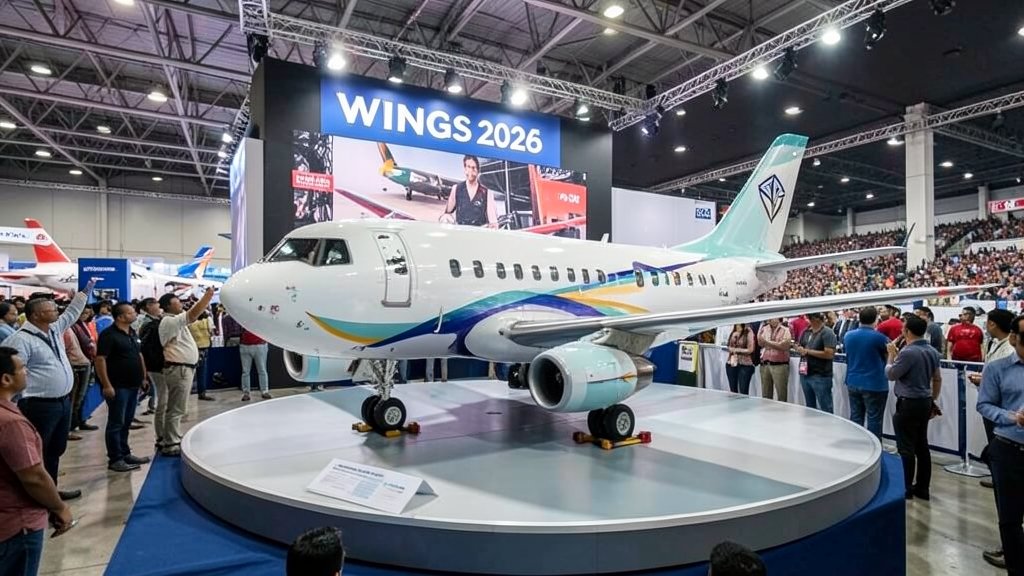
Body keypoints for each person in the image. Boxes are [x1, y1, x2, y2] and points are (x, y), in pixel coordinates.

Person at [1, 278, 95, 501]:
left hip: (61, 402)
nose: (56, 311)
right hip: (38, 405)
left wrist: (84, 293)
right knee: (36, 453)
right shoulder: (19, 340)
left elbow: (71, 313)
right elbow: (9, 374)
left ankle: (50, 490)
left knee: (55, 450)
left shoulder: (53, 329)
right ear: (36, 315)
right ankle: (34, 496)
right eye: (51, 309)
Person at [0, 347, 75, 576]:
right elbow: (34, 476)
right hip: (17, 524)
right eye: (22, 368)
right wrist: (59, 507)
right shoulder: (11, 424)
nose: (26, 372)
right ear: (6, 379)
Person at [975, 312, 1024, 572]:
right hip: (1009, 450)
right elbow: (984, 404)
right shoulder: (998, 368)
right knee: (1010, 518)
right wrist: (1012, 417)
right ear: (1015, 338)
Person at [886, 315, 942, 500]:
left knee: (906, 447)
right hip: (924, 400)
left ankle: (906, 487)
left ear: (907, 331)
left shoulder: (908, 352)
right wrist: (932, 399)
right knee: (922, 446)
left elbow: (892, 374)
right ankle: (923, 487)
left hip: (908, 402)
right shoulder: (932, 351)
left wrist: (891, 356)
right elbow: (937, 378)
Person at [155, 287, 215, 457]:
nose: (180, 304)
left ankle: (171, 437)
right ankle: (171, 443)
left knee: (176, 407)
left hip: (182, 368)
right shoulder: (169, 321)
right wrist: (207, 296)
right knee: (176, 408)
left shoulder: (173, 321)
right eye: (176, 302)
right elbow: (193, 314)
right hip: (179, 369)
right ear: (168, 306)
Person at [95, 302, 151, 472]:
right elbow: (100, 360)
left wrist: (143, 376)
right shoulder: (108, 335)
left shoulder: (132, 333)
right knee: (116, 422)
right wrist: (106, 384)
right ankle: (115, 458)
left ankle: (125, 452)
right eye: (130, 312)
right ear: (120, 317)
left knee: (126, 421)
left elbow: (138, 355)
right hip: (117, 386)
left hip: (133, 384)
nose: (134, 314)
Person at [843, 307, 890, 439]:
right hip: (874, 384)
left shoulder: (848, 335)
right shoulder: (880, 338)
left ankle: (856, 448)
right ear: (876, 320)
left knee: (856, 418)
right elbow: (891, 355)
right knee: (874, 420)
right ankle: (875, 452)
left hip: (853, 381)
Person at [794, 312, 837, 413]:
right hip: (805, 373)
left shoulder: (827, 332)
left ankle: (827, 427)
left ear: (815, 319)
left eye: (809, 318)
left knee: (826, 407)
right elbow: (800, 345)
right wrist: (798, 348)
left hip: (820, 375)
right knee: (810, 407)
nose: (808, 321)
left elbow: (829, 354)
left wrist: (808, 351)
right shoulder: (806, 332)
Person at [440, 155, 498, 228]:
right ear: (465, 169)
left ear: (478, 170)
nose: (470, 171)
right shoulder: (456, 188)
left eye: (473, 168)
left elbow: (493, 222)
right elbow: (447, 213)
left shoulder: (486, 192)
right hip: (461, 232)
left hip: (479, 234)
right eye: (468, 167)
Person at [757, 318, 791, 402]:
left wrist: (767, 343)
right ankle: (767, 413)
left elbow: (784, 346)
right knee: (766, 393)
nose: (773, 320)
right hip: (765, 364)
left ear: (779, 319)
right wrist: (774, 344)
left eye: (775, 318)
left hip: (779, 365)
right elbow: (760, 343)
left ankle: (781, 412)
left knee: (781, 393)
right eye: (771, 318)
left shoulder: (785, 330)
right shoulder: (764, 329)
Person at [239, 328, 271, 401]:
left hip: (258, 344)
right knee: (246, 371)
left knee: (261, 370)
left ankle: (264, 391)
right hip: (246, 345)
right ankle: (247, 393)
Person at [725, 324, 755, 395]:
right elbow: (729, 346)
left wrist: (737, 350)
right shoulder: (733, 331)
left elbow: (750, 349)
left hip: (745, 364)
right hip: (731, 362)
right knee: (733, 390)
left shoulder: (748, 331)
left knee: (743, 390)